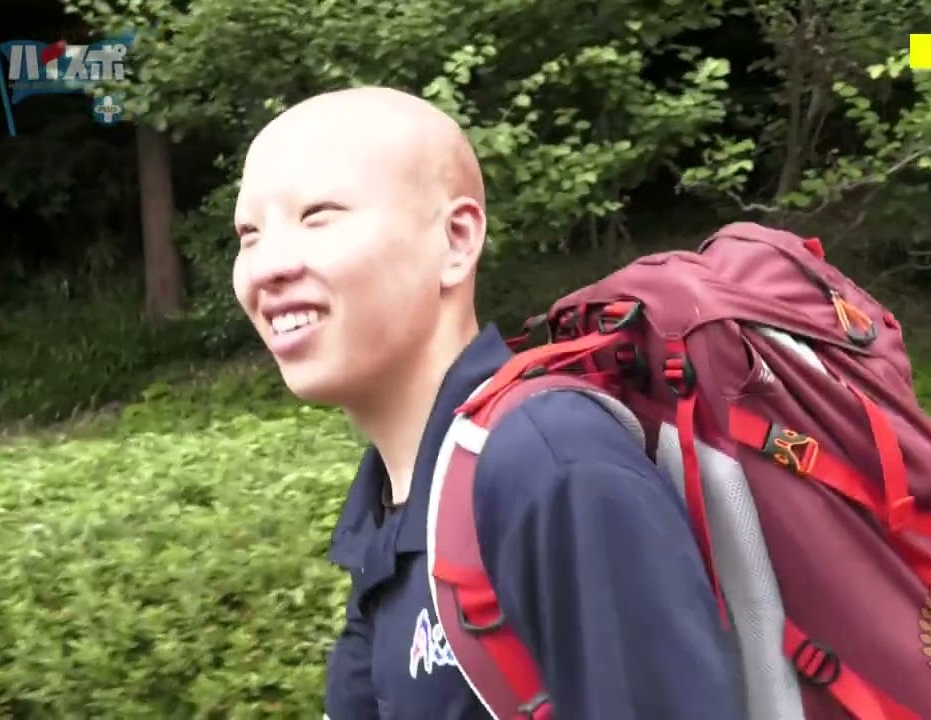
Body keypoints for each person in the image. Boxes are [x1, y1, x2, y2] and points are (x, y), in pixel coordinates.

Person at [231, 86, 747, 720]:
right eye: (249, 235)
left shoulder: (551, 465)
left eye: (317, 215)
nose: (267, 267)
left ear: (455, 241)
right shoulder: (392, 499)